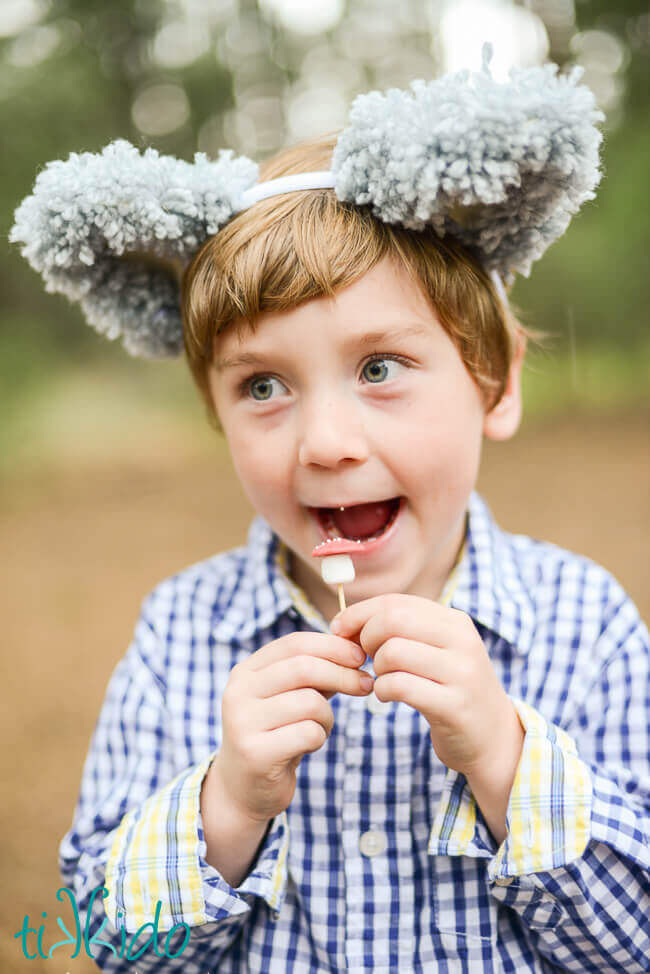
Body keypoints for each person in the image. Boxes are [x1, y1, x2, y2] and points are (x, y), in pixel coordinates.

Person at [11, 52, 649, 973]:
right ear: (217, 416)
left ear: (496, 379)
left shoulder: (586, 626)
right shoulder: (180, 635)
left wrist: (511, 765)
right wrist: (225, 807)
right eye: (263, 385)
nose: (325, 443)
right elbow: (106, 942)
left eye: (379, 368)